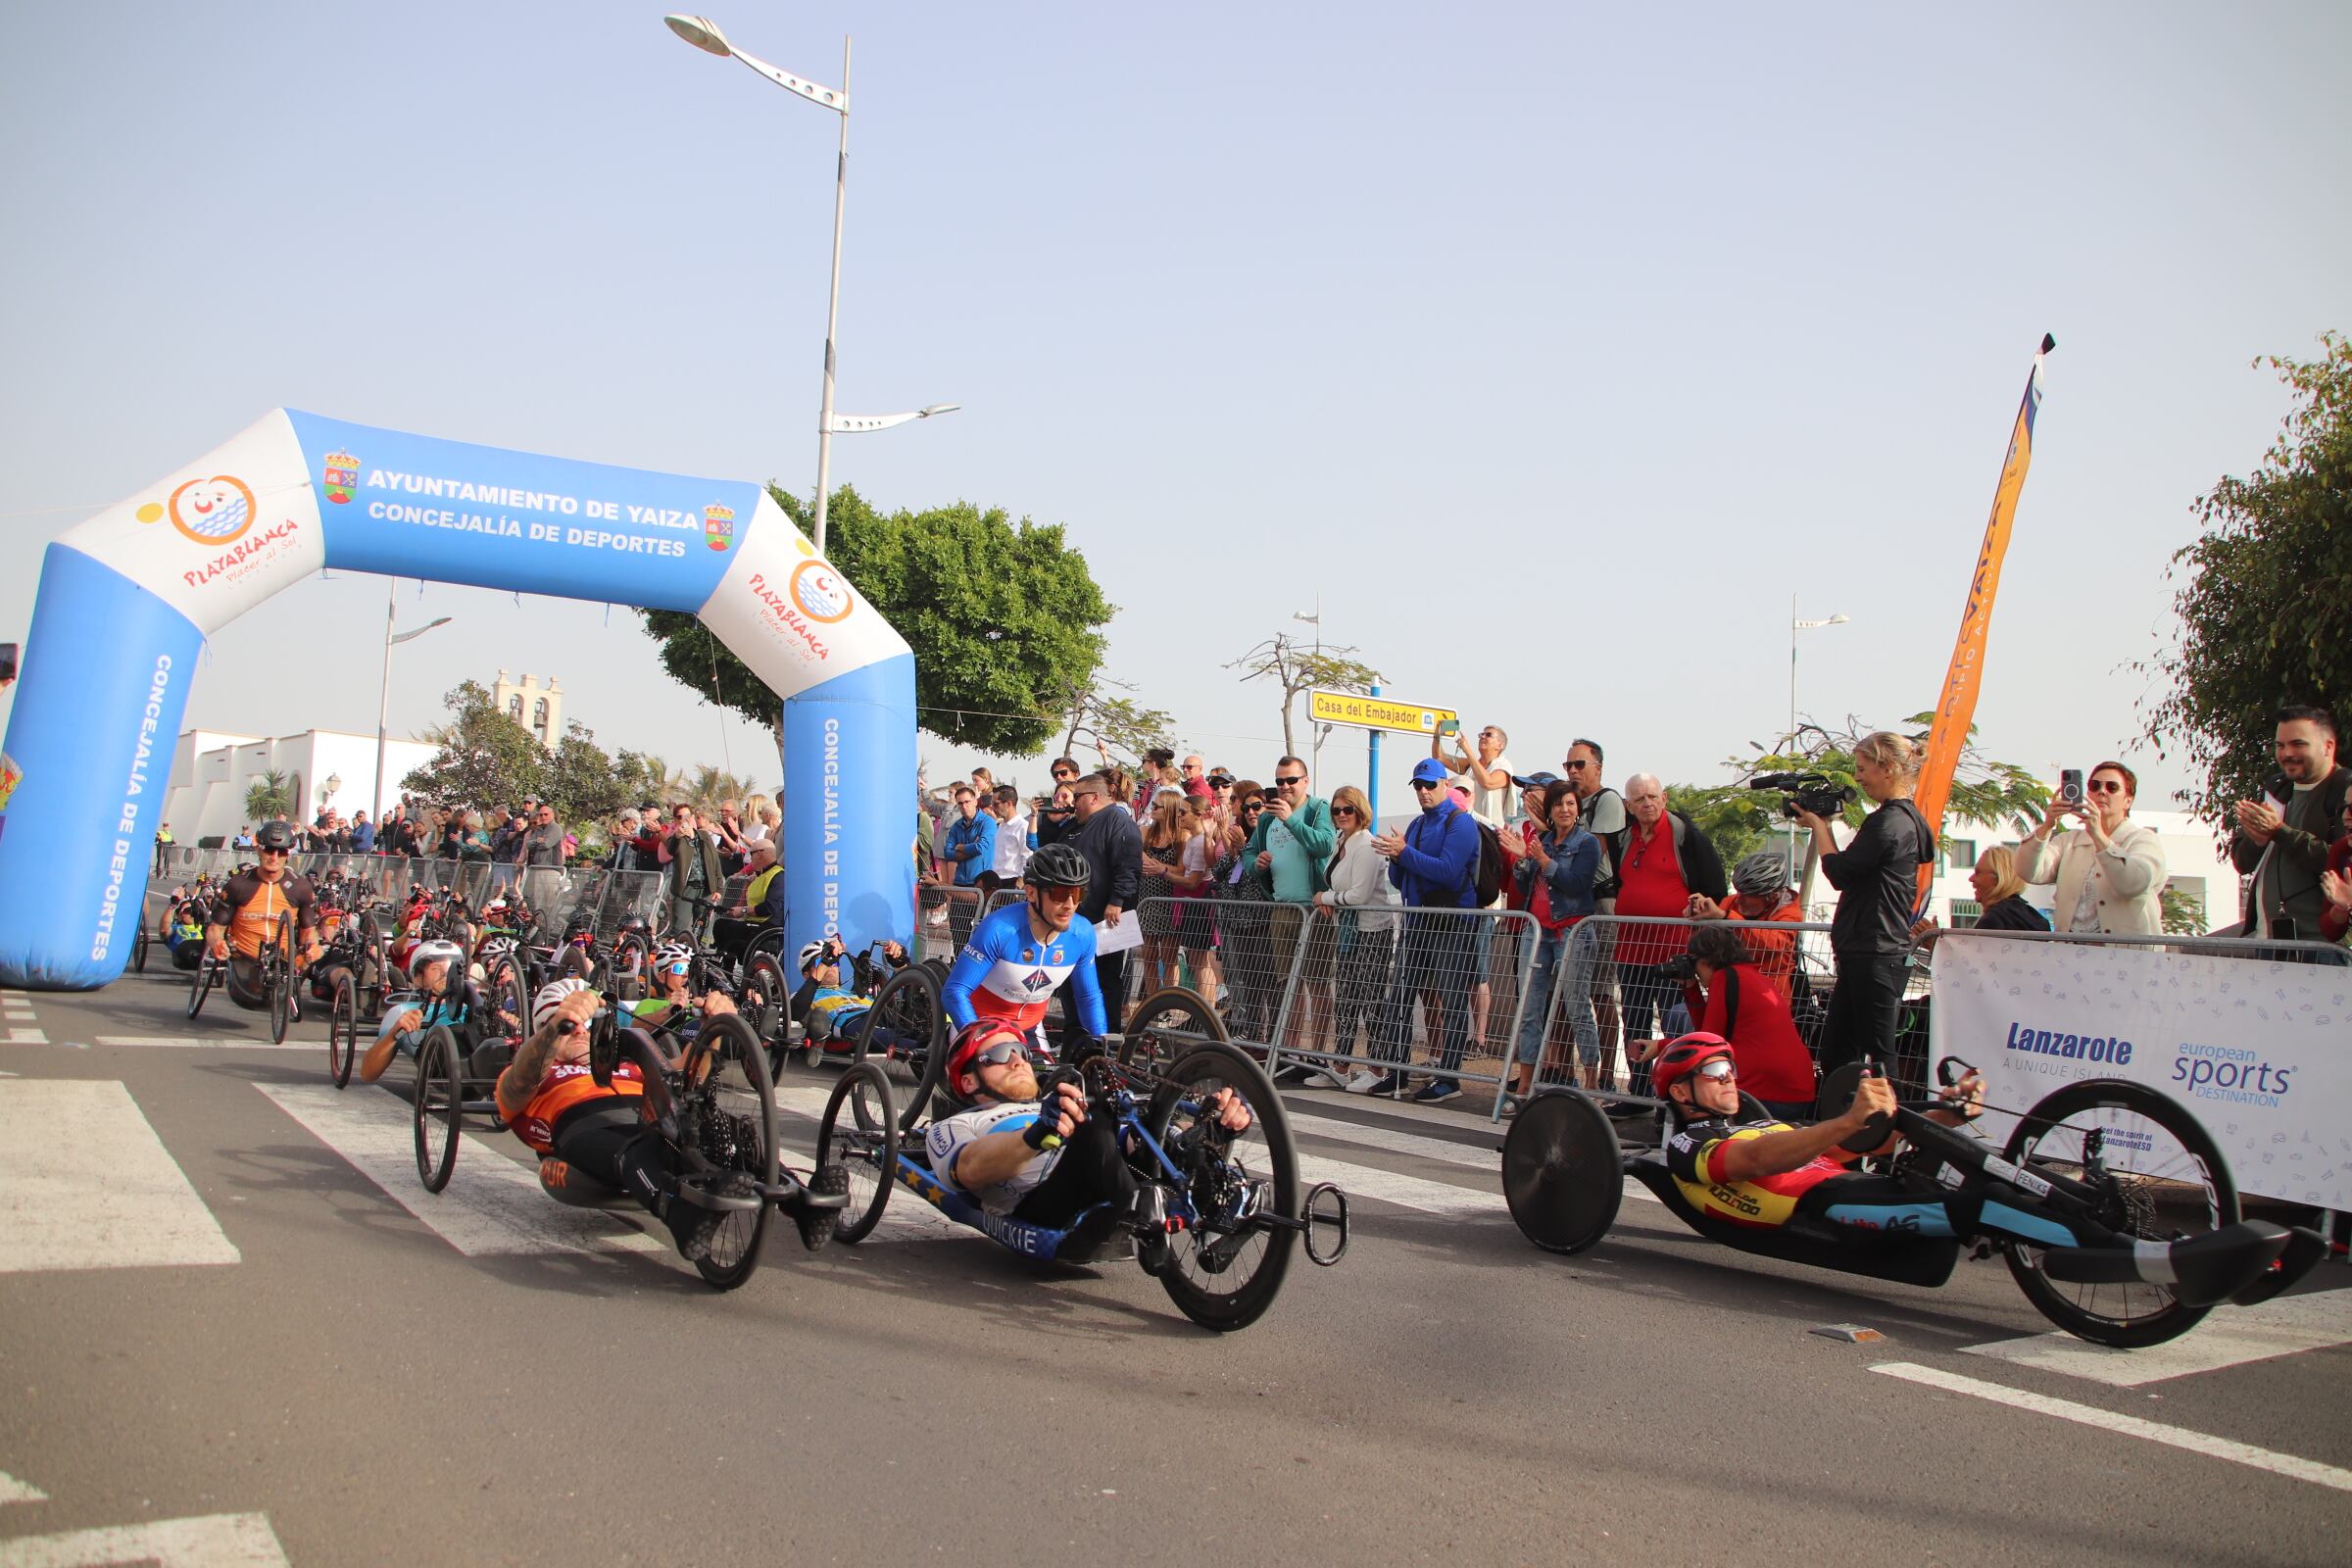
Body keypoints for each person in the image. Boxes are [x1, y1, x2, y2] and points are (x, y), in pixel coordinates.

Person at [924, 1018, 1253, 1256]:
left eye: (1021, 1052)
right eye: (998, 1055)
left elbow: (1123, 1143)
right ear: (968, 1081)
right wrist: (1038, 1133)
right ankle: (1142, 1207)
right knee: (1089, 1111)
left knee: (1144, 1124)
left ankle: (1224, 1200)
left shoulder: (1053, 1101)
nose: (1017, 1060)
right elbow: (969, 1168)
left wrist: (1208, 1130)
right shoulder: (958, 1124)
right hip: (1045, 1203)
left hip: (1106, 1172)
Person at [495, 979, 746, 1262]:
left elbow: (686, 1074)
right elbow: (517, 1085)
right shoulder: (536, 1074)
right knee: (638, 1147)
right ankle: (680, 1218)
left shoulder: (626, 1064)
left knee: (739, 1135)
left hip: (654, 1120)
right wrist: (556, 1029)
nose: (579, 1030)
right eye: (568, 1025)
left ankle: (801, 1202)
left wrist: (712, 1027)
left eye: (586, 1022)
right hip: (586, 1128)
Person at [1651, 1034, 1985, 1234]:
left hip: (1863, 1189)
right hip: (1830, 1203)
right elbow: (1756, 1159)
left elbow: (1856, 1146)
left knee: (1991, 1188)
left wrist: (1947, 1117)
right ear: (1681, 1093)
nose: (1728, 1078)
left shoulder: (1763, 1128)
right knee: (1986, 1208)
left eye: (1729, 1069)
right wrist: (1850, 1120)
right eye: (1713, 1071)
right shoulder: (1687, 1145)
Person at [1794, 731, 1936, 1076]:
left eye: (1862, 768)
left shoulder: (1890, 821)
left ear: (1887, 769)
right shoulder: (1907, 819)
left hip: (1875, 952)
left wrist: (1819, 826)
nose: (1857, 777)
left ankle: (1892, 1125)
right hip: (1866, 951)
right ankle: (1846, 1123)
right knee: (1839, 1053)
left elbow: (1840, 873)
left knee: (1880, 1055)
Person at [1370, 756, 1481, 1102]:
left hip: (1451, 923)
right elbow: (1401, 877)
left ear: (1444, 785)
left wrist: (1404, 854)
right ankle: (1398, 1072)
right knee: (1399, 996)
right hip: (1418, 920)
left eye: (1429, 785)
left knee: (1451, 1000)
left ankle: (1449, 1078)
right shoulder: (1417, 825)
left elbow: (1448, 870)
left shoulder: (1460, 823)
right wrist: (1395, 856)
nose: (1423, 791)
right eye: (1418, 786)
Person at [942, 843, 1108, 1061]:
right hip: (981, 1024)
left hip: (1029, 1028)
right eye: (1059, 894)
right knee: (997, 1087)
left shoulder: (1083, 934)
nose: (1069, 905)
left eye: (1077, 894)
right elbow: (955, 991)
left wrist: (1100, 1046)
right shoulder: (1000, 929)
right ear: (1031, 892)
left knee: (1053, 1089)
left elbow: (1088, 996)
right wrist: (981, 1039)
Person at [1613, 774, 1727, 1093]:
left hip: (1675, 953)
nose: (1647, 803)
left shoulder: (1685, 835)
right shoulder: (1625, 838)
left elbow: (1715, 887)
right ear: (1629, 806)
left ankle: (1676, 1092)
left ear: (1664, 797)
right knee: (1633, 1023)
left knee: (1675, 1023)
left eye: (1651, 796)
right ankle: (1639, 1092)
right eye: (1639, 799)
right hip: (1631, 951)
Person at [1653, 923, 1817, 1117]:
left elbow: (1710, 1044)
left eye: (1693, 963)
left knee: (1689, 1088)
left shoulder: (1725, 977)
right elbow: (1707, 1031)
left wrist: (1661, 1046)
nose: (1695, 971)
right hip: (1797, 1091)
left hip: (1766, 1095)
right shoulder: (1751, 975)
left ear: (1706, 960)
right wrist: (1691, 987)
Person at [1506, 781, 1600, 1105]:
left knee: (1576, 1006)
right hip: (1537, 932)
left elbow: (1578, 885)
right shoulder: (1543, 840)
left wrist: (1544, 862)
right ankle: (1526, 1085)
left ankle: (1592, 1084)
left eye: (1570, 804)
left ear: (1578, 809)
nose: (1564, 810)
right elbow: (1525, 883)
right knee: (1529, 1011)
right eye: (1559, 804)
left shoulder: (1587, 844)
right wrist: (1523, 860)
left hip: (1572, 930)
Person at [1244, 757, 1337, 1066]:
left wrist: (1292, 820)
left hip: (1314, 909)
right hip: (1281, 909)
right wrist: (1255, 866)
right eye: (1280, 781)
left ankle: (1318, 1054)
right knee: (1289, 984)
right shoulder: (1268, 818)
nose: (1284, 787)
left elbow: (1324, 845)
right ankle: (1291, 1051)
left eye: (1291, 780)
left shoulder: (1318, 809)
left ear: (1305, 781)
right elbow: (1249, 851)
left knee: (1318, 983)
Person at [2231, 706, 2350, 941]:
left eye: (2298, 744)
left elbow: (2340, 863)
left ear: (2328, 747)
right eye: (2280, 746)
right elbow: (2242, 864)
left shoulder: (2345, 792)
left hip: (2324, 949)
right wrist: (2257, 840)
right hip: (2269, 941)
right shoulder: (2276, 789)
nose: (2287, 754)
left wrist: (2279, 831)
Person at [2013, 760, 2167, 934]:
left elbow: (2132, 884)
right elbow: (2028, 872)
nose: (2102, 791)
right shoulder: (2070, 841)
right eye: (2095, 786)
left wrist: (2098, 836)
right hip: (2071, 951)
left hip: (2123, 954)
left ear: (2128, 801)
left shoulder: (2142, 839)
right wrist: (2047, 825)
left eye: (2112, 787)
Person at [1316, 785, 1400, 1092]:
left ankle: (1377, 1069)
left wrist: (1326, 896)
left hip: (1371, 930)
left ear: (1359, 811)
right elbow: (1342, 888)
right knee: (1347, 998)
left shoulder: (1365, 843)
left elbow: (1359, 894)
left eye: (1347, 810)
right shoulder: (1341, 841)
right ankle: (1341, 1064)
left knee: (1371, 999)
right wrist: (1331, 897)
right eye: (1336, 810)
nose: (1341, 815)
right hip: (1348, 930)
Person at [1563, 739, 1631, 1084]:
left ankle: (1604, 1077)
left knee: (1600, 990)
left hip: (1601, 901)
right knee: (1566, 990)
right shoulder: (1571, 803)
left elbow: (1589, 853)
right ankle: (1563, 1071)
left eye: (1580, 765)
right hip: (1574, 902)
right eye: (1569, 766)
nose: (1573, 771)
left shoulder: (1607, 801)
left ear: (1598, 768)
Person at [204, 820, 324, 1013]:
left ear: (288, 854)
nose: (275, 856)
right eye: (269, 850)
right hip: (244, 957)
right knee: (252, 996)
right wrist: (217, 943)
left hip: (282, 960)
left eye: (282, 851)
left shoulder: (300, 887)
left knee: (308, 958)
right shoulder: (238, 885)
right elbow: (215, 929)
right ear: (259, 850)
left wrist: (312, 949)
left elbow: (309, 932)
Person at [1065, 772, 1142, 1028]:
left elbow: (1128, 865)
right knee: (1074, 977)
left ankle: (1105, 1037)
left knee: (1105, 977)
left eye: (1077, 797)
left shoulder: (1118, 821)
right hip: (1079, 915)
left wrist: (1117, 900)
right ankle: (1077, 1035)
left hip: (1105, 917)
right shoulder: (1080, 823)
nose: (1073, 802)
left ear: (1095, 797)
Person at [1688, 851, 1806, 992]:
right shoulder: (1730, 902)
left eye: (1747, 894)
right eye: (1738, 891)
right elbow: (1710, 941)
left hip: (1770, 991)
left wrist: (1726, 917)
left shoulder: (1790, 913)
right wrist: (1699, 919)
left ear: (1772, 896)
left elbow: (1774, 945)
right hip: (1733, 985)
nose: (1738, 898)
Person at [792, 936, 912, 1054]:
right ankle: (925, 1049)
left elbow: (898, 1003)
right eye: (820, 961)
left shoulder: (854, 992)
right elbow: (795, 1013)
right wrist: (824, 965)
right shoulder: (801, 997)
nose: (830, 966)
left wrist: (899, 963)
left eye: (833, 961)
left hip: (882, 1015)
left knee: (914, 1019)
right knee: (891, 1036)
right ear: (806, 975)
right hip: (852, 1023)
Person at [1912, 844, 2050, 944]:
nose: (1971, 879)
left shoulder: (1995, 920)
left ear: (1997, 878)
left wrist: (1937, 945)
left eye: (1978, 872)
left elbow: (1974, 968)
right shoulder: (2027, 914)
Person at [935, 782, 996, 949]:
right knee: (958, 935)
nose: (964, 806)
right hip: (961, 884)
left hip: (982, 886)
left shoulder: (987, 822)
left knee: (982, 936)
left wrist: (961, 848)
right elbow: (947, 853)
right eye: (960, 803)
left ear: (975, 801)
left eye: (967, 801)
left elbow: (982, 847)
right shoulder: (956, 826)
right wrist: (970, 849)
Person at [661, 803, 726, 946]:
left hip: (706, 889)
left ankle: (698, 961)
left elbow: (715, 861)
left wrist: (719, 888)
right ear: (676, 820)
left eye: (687, 816)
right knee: (679, 929)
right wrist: (678, 836)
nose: (684, 819)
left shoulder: (704, 836)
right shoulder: (676, 839)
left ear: (693, 817)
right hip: (685, 890)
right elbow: (671, 849)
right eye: (679, 817)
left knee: (702, 929)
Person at [711, 838, 785, 960]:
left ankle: (726, 965)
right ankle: (725, 963)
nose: (750, 859)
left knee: (726, 928)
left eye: (751, 854)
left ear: (759, 854)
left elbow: (771, 907)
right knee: (721, 925)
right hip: (757, 923)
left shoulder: (778, 876)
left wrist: (743, 911)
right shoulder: (763, 875)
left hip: (768, 927)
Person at [1434, 722, 1516, 829]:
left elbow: (1487, 783)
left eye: (1488, 735)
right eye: (1481, 734)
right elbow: (1439, 758)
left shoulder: (1504, 767)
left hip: (1491, 831)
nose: (1482, 737)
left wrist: (1468, 750)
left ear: (1500, 745)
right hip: (1469, 826)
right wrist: (1437, 735)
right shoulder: (1470, 765)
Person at [983, 784, 1031, 895]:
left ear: (1008, 804)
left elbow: (1027, 856)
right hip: (997, 882)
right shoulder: (1000, 826)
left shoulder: (1023, 826)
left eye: (995, 804)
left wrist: (1020, 882)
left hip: (1012, 882)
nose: (992, 807)